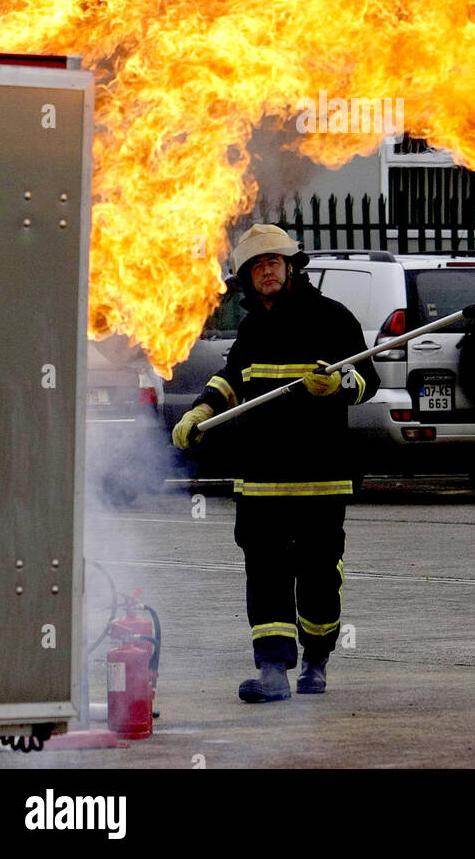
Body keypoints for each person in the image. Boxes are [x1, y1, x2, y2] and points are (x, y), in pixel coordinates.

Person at [172, 224, 378, 703]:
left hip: (320, 479)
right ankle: (271, 670)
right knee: (264, 570)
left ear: (291, 267)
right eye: (257, 266)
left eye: (274, 262)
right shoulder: (251, 327)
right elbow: (232, 377)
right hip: (260, 478)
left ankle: (317, 658)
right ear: (246, 278)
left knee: (318, 571)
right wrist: (203, 408)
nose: (267, 271)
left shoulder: (332, 318)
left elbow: (367, 376)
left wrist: (340, 385)